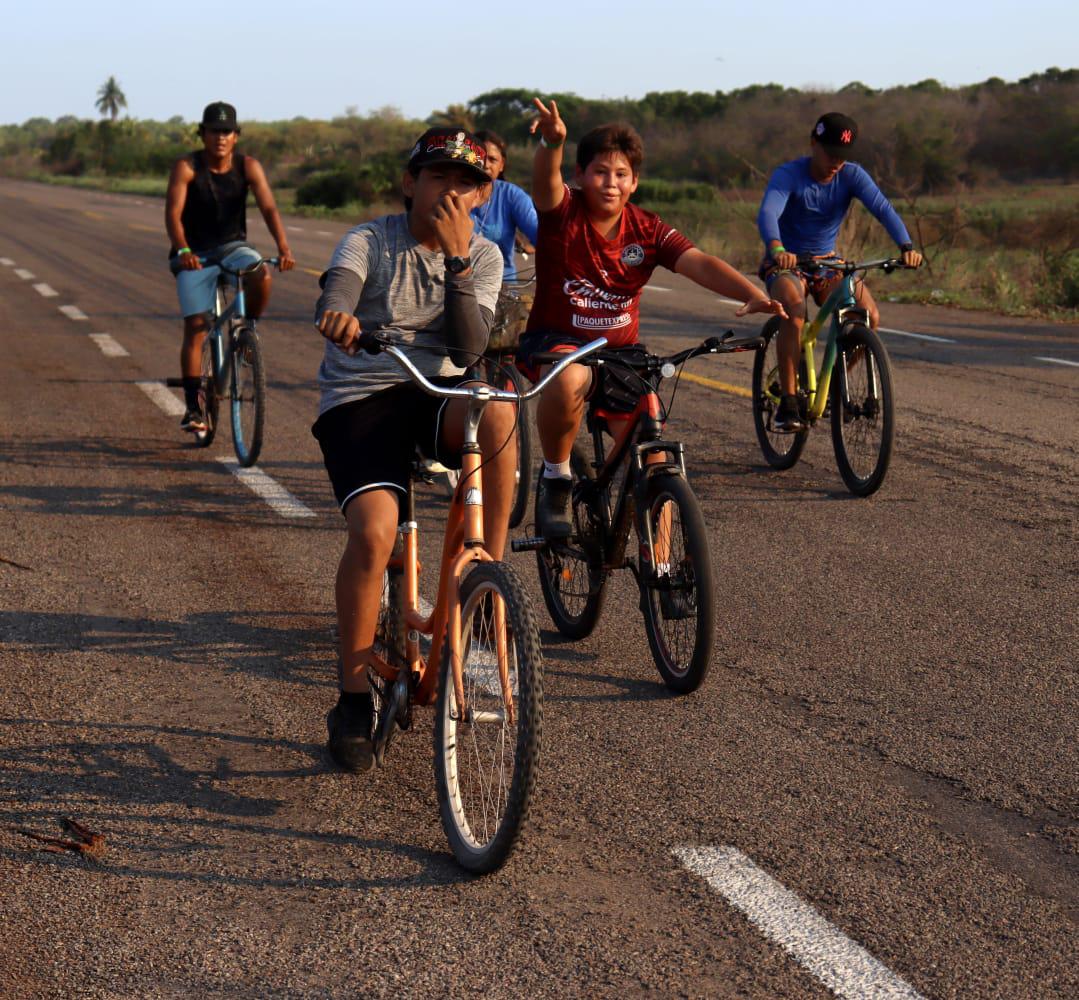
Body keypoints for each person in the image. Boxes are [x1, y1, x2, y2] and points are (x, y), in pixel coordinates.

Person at [312, 126, 511, 773]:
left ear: (482, 196)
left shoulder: (483, 257)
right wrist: (339, 314)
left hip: (435, 394)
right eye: (437, 177)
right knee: (375, 533)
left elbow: (467, 349)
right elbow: (339, 287)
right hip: (362, 398)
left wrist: (456, 260)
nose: (450, 192)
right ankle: (351, 700)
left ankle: (489, 577)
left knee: (498, 408)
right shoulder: (371, 240)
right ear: (409, 183)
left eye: (466, 182)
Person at [522, 98, 787, 540]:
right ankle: (556, 477)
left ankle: (662, 565)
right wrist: (552, 143)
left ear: (635, 182)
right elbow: (545, 181)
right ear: (580, 176)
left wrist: (751, 293)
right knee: (569, 378)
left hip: (621, 354)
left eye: (621, 174)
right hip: (559, 343)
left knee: (655, 460)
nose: (610, 183)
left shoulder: (648, 229)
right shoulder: (562, 211)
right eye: (600, 172)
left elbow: (698, 262)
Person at [756, 112, 923, 431]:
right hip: (787, 262)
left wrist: (906, 246)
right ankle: (788, 402)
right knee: (793, 310)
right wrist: (777, 248)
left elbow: (882, 208)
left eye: (842, 156)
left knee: (868, 316)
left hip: (828, 263)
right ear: (813, 143)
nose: (836, 162)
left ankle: (836, 381)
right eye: (830, 153)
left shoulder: (851, 175)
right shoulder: (789, 174)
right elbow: (768, 212)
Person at [165, 101, 295, 433]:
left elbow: (268, 207)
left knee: (260, 273)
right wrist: (183, 249)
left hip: (233, 247)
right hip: (194, 253)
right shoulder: (187, 166)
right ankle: (193, 408)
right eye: (214, 131)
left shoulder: (248, 166)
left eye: (227, 131)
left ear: (236, 136)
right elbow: (173, 214)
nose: (220, 137)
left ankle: (248, 330)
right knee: (196, 325)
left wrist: (283, 247)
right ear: (202, 133)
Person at [469, 129, 538, 279]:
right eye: (479, 157)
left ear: (501, 165)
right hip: (459, 283)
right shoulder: (452, 193)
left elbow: (541, 235)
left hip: (503, 284)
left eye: (492, 159)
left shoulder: (512, 196)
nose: (485, 164)